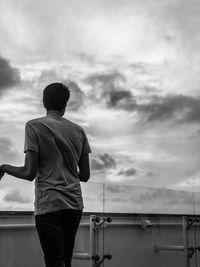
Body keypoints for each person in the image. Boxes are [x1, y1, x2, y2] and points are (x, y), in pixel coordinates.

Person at [0, 82, 91, 267]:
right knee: (65, 259)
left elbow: (28, 172)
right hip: (74, 204)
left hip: (49, 203)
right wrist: (67, 172)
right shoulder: (78, 131)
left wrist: (3, 167)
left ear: (44, 102)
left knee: (54, 261)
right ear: (66, 104)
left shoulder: (34, 126)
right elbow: (86, 175)